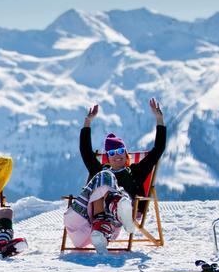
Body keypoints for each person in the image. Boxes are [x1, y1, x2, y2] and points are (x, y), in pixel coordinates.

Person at [64, 98, 167, 253]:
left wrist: (159, 119)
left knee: (102, 176)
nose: (116, 155)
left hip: (130, 206)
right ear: (108, 156)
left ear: (126, 155)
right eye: (112, 153)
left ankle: (119, 208)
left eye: (120, 151)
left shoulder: (135, 171)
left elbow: (157, 150)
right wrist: (87, 122)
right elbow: (85, 151)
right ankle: (100, 230)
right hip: (103, 212)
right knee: (102, 176)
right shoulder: (101, 170)